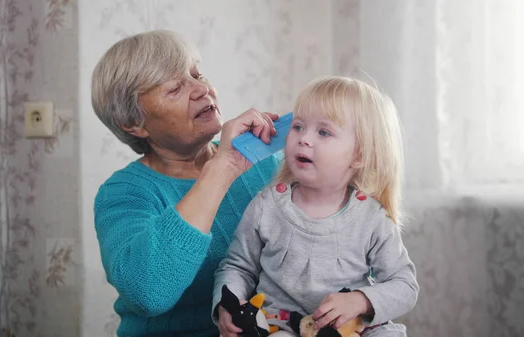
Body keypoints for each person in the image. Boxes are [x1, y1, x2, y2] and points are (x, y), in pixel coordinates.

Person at [91, 29, 283, 337]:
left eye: (198, 75)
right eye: (174, 88)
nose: (201, 89)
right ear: (133, 123)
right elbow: (148, 292)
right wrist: (223, 167)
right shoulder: (124, 194)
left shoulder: (267, 162)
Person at [213, 76, 419, 337]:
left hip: (351, 329)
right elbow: (237, 266)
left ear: (359, 155)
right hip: (283, 325)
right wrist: (226, 304)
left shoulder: (372, 218)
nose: (304, 139)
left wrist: (361, 300)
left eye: (323, 132)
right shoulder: (267, 206)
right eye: (298, 127)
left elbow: (405, 286)